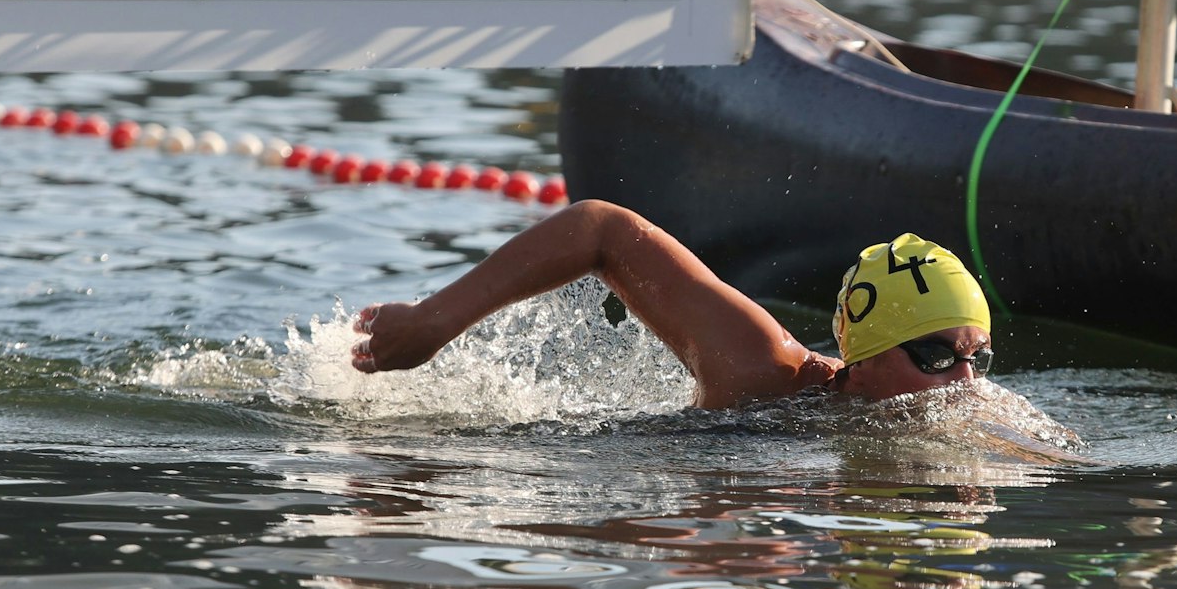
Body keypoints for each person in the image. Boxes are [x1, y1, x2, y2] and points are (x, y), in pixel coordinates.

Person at [351, 199, 993, 409]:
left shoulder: (983, 417)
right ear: (868, 357)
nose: (966, 383)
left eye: (979, 359)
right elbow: (602, 229)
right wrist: (433, 320)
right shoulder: (765, 370)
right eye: (936, 357)